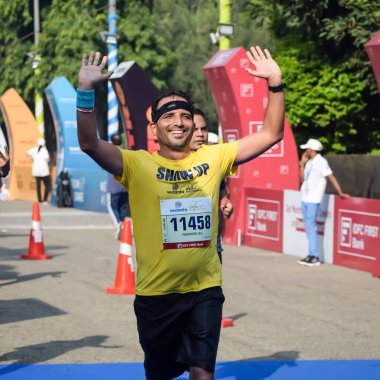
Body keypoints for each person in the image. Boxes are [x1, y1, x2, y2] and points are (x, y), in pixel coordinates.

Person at [76, 46, 285, 380]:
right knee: (160, 375)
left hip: (205, 289)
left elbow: (270, 134)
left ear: (193, 125)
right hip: (156, 296)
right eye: (168, 116)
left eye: (185, 116)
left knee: (203, 374)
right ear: (155, 127)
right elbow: (89, 143)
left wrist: (275, 85)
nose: (178, 121)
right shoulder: (137, 164)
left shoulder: (214, 158)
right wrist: (85, 92)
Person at [190, 108, 233, 264]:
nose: (200, 134)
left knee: (213, 288)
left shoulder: (214, 161)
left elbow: (222, 192)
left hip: (211, 245)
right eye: (194, 129)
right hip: (178, 250)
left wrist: (224, 202)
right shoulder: (166, 164)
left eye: (204, 129)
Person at [298, 138, 349, 267]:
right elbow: (302, 180)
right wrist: (302, 165)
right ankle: (312, 254)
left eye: (307, 149)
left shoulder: (321, 162)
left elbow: (331, 176)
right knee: (309, 227)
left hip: (313, 199)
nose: (305, 151)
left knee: (311, 226)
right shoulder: (310, 162)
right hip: (305, 197)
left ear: (311, 150)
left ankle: (315, 256)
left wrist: (340, 192)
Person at [106, 133, 129, 239]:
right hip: (124, 186)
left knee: (112, 206)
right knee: (123, 207)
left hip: (113, 186)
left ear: (111, 142)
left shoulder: (108, 154)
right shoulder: (126, 153)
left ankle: (118, 224)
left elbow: (102, 166)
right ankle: (123, 225)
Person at [26, 138, 51, 205]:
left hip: (36, 170)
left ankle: (40, 201)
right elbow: (47, 159)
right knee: (48, 185)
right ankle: (45, 200)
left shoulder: (34, 149)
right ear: (44, 144)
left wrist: (33, 157)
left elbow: (27, 153)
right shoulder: (44, 150)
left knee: (38, 186)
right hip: (44, 170)